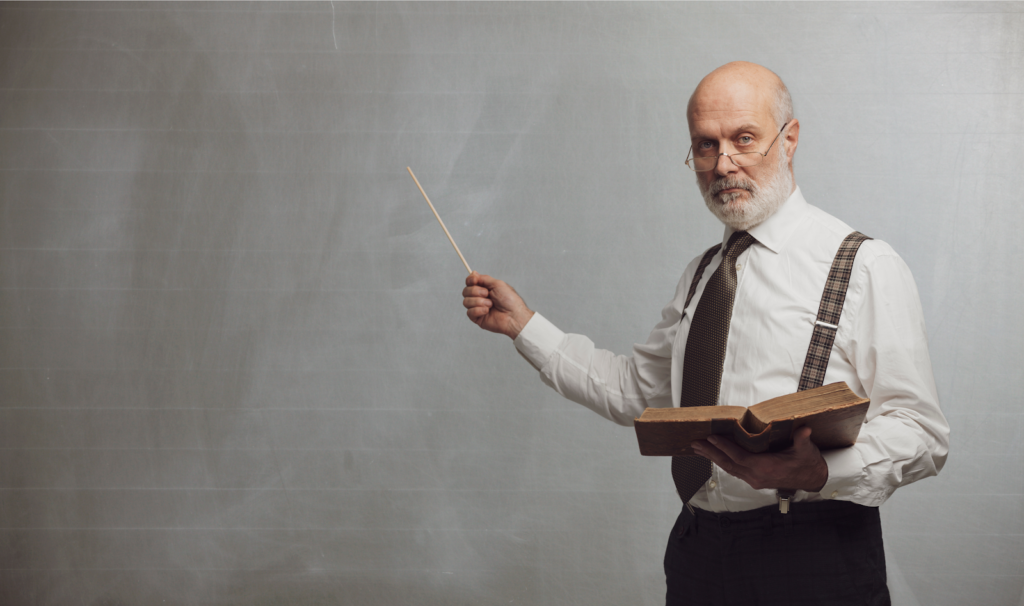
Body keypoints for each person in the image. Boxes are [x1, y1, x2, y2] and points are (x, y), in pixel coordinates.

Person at [461, 62, 949, 606]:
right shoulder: (702, 274)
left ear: (788, 141)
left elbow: (922, 433)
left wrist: (822, 471)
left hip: (814, 559)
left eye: (744, 139)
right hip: (698, 554)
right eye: (705, 145)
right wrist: (524, 327)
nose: (723, 164)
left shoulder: (863, 266)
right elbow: (636, 392)